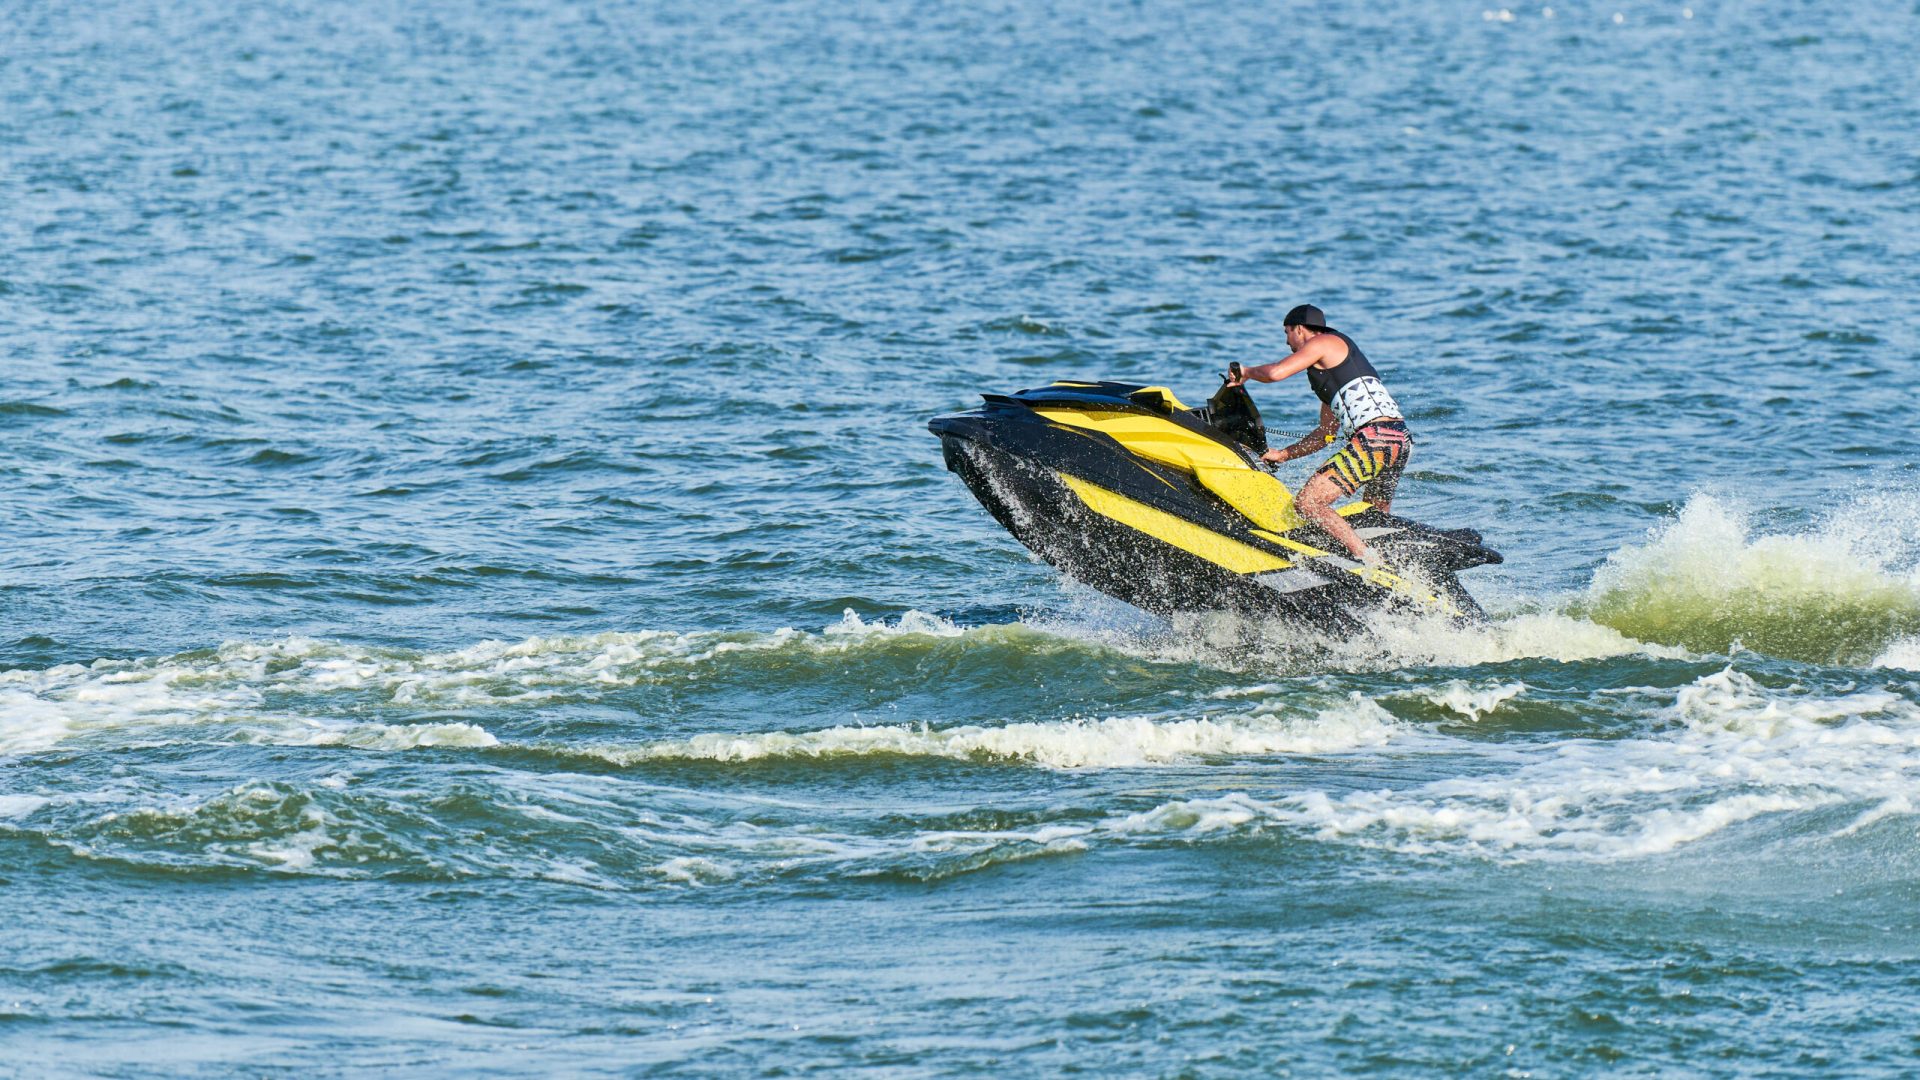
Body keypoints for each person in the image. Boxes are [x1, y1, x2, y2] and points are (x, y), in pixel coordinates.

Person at [1226, 304, 1411, 564]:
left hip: (1374, 439)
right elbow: (1325, 435)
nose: (1286, 341)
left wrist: (1245, 372)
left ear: (1299, 329)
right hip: (1397, 440)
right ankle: (1396, 565)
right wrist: (1282, 455)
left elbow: (1275, 373)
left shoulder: (1323, 341)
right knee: (1374, 518)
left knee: (1309, 503)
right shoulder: (1335, 374)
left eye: (1287, 333)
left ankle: (1372, 564)